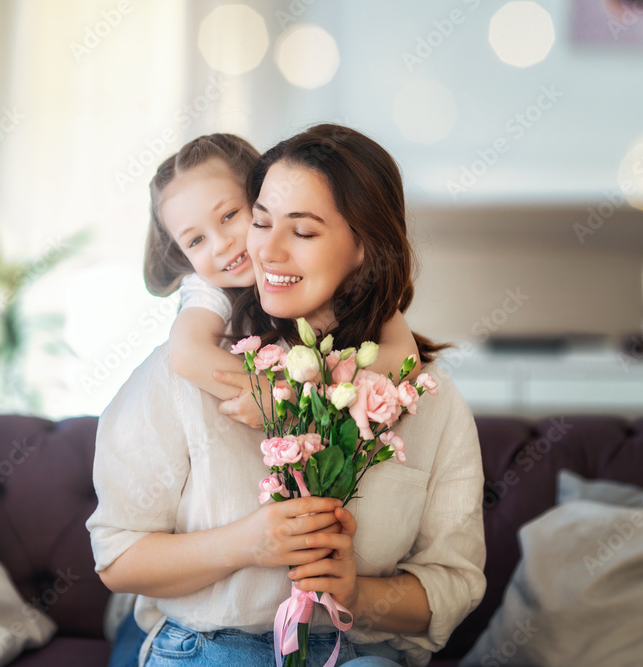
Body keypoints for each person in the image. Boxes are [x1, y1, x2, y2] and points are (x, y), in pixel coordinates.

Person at [88, 124, 486, 667]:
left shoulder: (426, 397)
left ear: (363, 247)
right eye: (261, 222)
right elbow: (118, 558)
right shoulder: (189, 367)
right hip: (215, 647)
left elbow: (454, 583)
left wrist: (357, 593)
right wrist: (246, 544)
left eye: (302, 231)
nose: (263, 251)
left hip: (356, 651)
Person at [144, 134, 421, 428]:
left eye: (229, 216)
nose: (220, 245)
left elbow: (406, 357)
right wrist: (276, 396)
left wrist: (310, 385)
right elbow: (187, 354)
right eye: (196, 240)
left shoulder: (343, 289)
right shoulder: (206, 289)